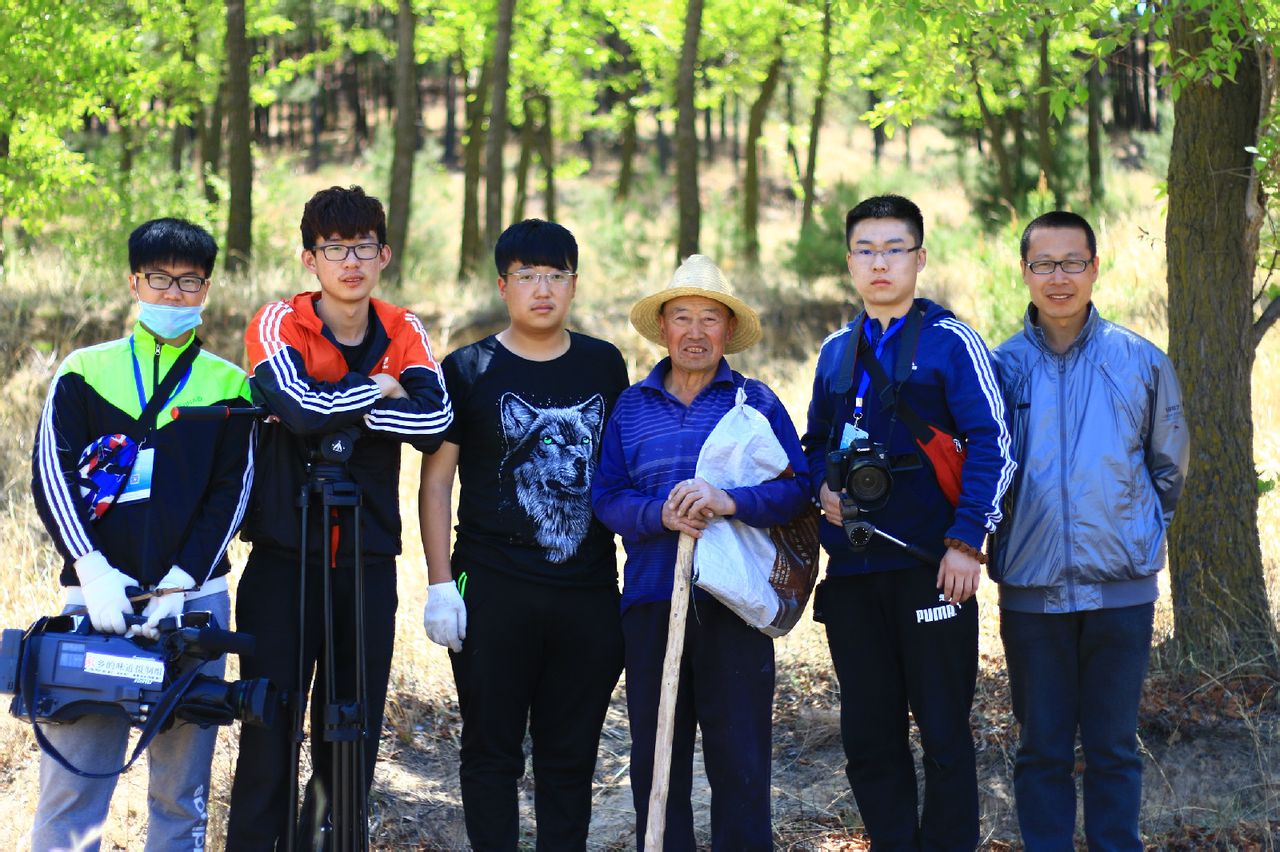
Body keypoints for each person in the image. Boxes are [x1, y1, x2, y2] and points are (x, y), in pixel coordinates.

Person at [226, 185, 452, 849]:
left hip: (367, 560)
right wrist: (380, 392)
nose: (349, 262)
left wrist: (339, 404)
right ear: (309, 258)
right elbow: (291, 406)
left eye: (362, 248)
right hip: (282, 559)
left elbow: (435, 420)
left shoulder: (404, 328)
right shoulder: (279, 322)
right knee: (270, 727)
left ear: (384, 254)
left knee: (349, 735)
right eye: (333, 248)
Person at [29, 218, 254, 850]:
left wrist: (182, 583)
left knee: (180, 798)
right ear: (135, 282)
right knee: (73, 787)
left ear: (206, 289)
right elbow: (51, 476)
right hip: (94, 608)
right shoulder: (84, 370)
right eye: (161, 279)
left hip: (193, 609)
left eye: (190, 283)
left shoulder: (229, 385)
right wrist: (92, 570)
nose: (175, 295)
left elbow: (231, 495)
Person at [802, 194, 1015, 850]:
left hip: (933, 571)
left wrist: (966, 542)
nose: (880, 263)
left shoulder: (952, 342)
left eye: (895, 249)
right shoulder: (836, 352)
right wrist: (822, 490)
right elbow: (813, 445)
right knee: (867, 739)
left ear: (920, 258)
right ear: (849, 263)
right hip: (855, 572)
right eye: (866, 250)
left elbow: (997, 442)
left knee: (945, 734)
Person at [420, 218, 630, 850]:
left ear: (573, 283)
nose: (543, 290)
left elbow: (622, 468)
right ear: (503, 285)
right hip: (490, 585)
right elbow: (435, 485)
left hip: (588, 589)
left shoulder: (603, 365)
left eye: (556, 276)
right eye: (527, 277)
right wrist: (439, 586)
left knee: (571, 759)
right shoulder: (468, 367)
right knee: (491, 751)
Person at [592, 254, 810, 851]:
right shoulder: (631, 408)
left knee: (740, 761)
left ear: (727, 330)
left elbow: (796, 490)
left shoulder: (755, 404)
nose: (694, 331)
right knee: (655, 758)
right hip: (651, 602)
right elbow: (606, 496)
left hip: (733, 605)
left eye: (709, 319)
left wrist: (727, 500)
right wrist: (657, 513)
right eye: (682, 317)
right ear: (663, 327)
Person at [989, 211, 1188, 850]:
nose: (1058, 277)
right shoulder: (999, 369)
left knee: (1112, 749)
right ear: (1024, 272)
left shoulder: (1140, 361)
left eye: (1072, 262)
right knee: (1041, 747)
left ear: (1095, 267)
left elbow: (1169, 466)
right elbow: (979, 476)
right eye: (1043, 264)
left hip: (1121, 593)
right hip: (1031, 591)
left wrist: (1134, 534)